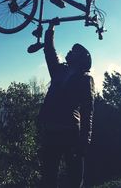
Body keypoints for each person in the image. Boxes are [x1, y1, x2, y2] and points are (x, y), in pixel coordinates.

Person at [39, 19, 95, 188]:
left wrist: (85, 141)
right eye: (71, 49)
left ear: (82, 59)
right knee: (49, 176)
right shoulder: (58, 71)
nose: (70, 51)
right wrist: (51, 29)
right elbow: (49, 51)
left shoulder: (86, 79)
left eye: (75, 51)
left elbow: (88, 110)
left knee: (74, 176)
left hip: (71, 133)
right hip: (50, 130)